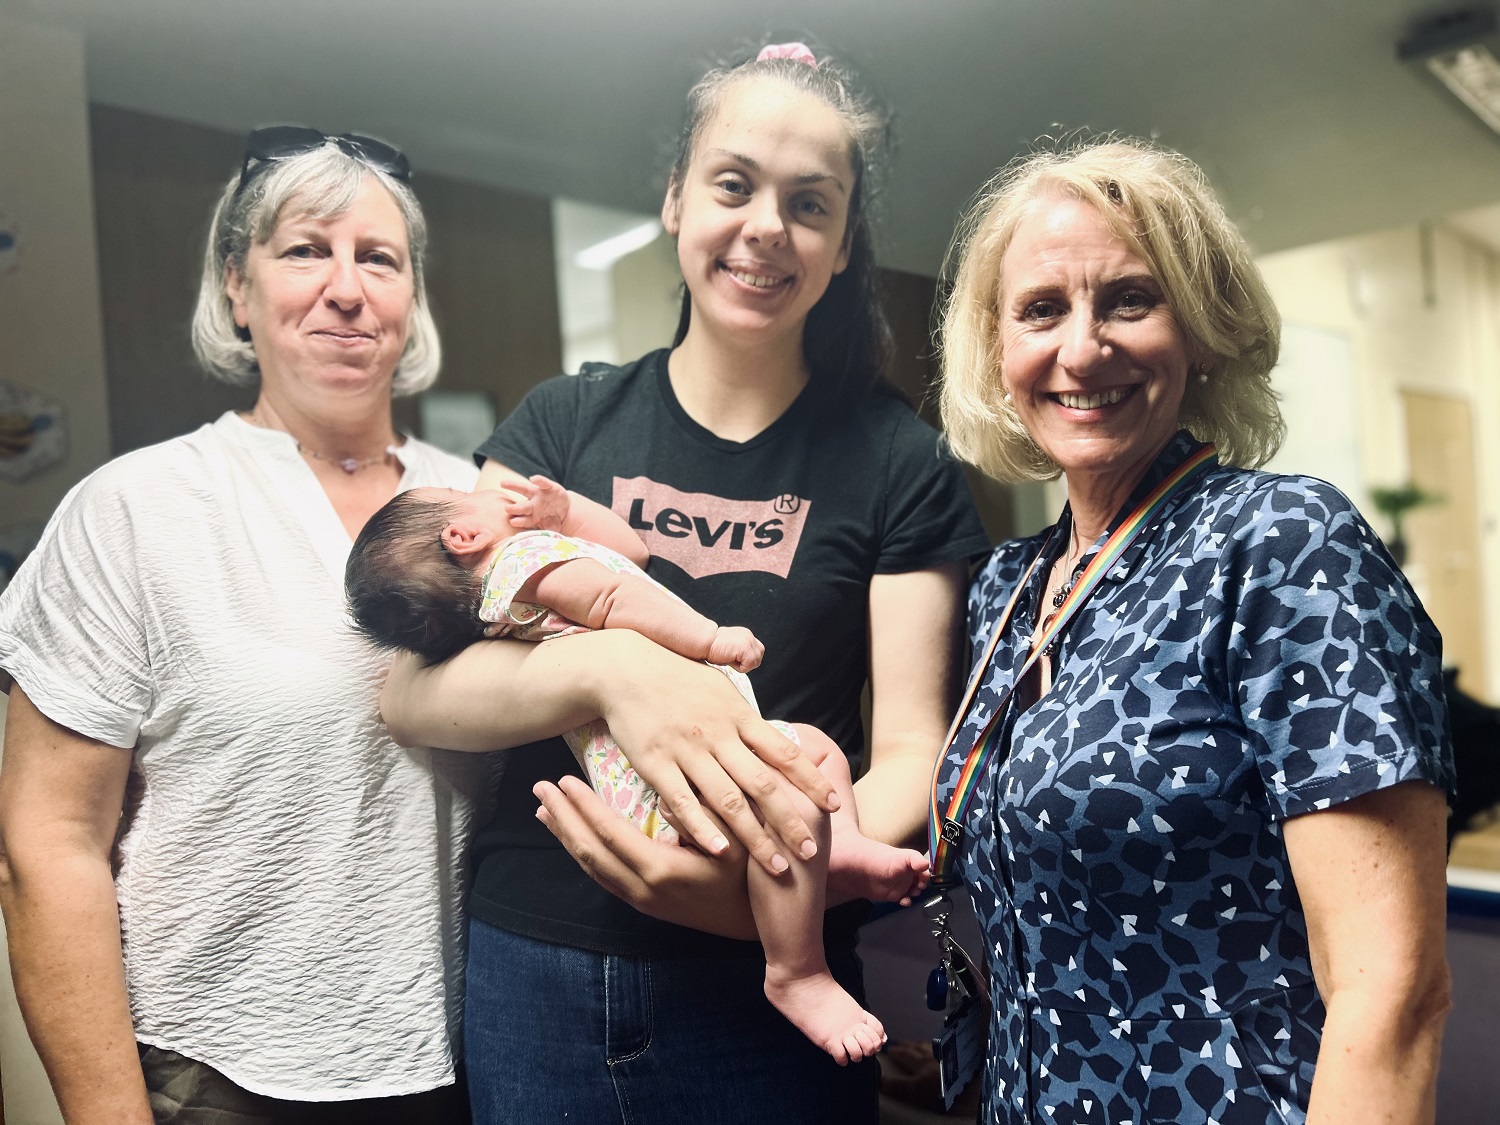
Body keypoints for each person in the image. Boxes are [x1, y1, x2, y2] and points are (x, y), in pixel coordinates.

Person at [379, 43, 991, 1125]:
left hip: (774, 979)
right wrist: (606, 668)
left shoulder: (901, 465)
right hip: (538, 966)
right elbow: (417, 695)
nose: (766, 227)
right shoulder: (565, 425)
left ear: (845, 243)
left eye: (811, 203)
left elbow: (910, 755)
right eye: (733, 183)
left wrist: (764, 885)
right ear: (674, 201)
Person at [934, 138, 1454, 1125]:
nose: (1082, 349)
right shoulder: (1008, 586)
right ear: (997, 350)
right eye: (1042, 309)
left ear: (1202, 332)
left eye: (1130, 299)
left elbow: (1394, 998)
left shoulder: (1283, 544)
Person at [0, 128, 486, 1123]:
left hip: (467, 1065)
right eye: (305, 249)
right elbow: (47, 845)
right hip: (220, 1075)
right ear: (237, 287)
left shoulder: (484, 510)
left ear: (412, 298)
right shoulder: (135, 509)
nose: (346, 288)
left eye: (379, 258)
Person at [346, 481, 933, 1061]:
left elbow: (629, 555)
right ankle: (796, 972)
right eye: (460, 491)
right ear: (464, 534)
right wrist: (711, 638)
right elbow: (612, 599)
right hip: (663, 776)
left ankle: (842, 848)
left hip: (671, 765)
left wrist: (567, 512)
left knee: (815, 751)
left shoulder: (529, 576)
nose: (488, 489)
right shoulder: (520, 562)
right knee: (795, 793)